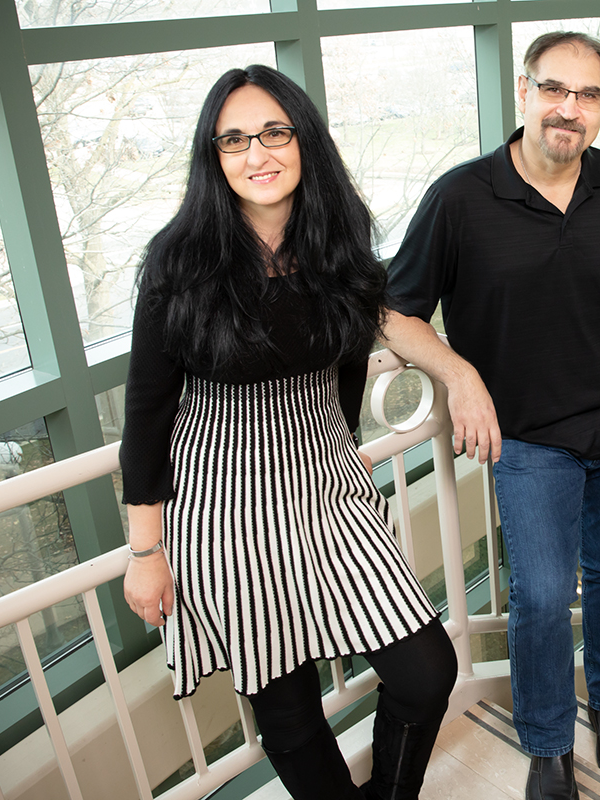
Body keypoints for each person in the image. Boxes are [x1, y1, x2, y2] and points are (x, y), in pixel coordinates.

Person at [119, 64, 456, 800]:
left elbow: (342, 372)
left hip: (326, 482)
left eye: (274, 132)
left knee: (427, 670)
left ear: (305, 141)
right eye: (233, 139)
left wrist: (347, 464)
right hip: (221, 501)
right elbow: (146, 413)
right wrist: (146, 553)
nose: (256, 153)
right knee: (288, 703)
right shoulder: (179, 264)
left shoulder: (341, 246)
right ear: (213, 157)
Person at [382, 31, 600, 800]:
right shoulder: (461, 197)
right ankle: (548, 743)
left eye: (588, 96)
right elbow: (393, 313)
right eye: (555, 89)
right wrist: (459, 375)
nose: (570, 109)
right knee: (545, 596)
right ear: (524, 91)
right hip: (526, 436)